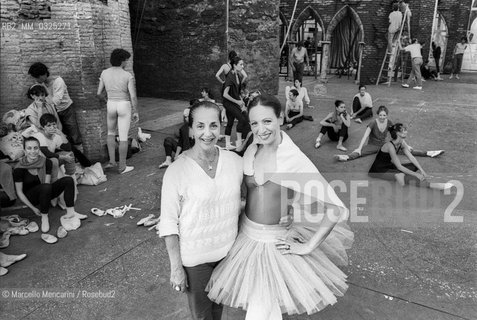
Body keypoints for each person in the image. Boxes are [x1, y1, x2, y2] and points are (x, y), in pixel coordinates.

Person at [207, 93, 353, 320]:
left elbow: (335, 208)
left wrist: (308, 247)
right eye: (254, 123)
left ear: (280, 118)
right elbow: (252, 195)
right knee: (266, 306)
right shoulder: (252, 149)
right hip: (245, 239)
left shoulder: (292, 158)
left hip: (273, 244)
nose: (260, 129)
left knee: (258, 309)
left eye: (267, 121)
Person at [158, 101, 243, 320]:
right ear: (191, 130)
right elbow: (168, 223)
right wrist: (176, 268)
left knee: (219, 311)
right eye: (201, 126)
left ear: (222, 126)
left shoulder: (234, 162)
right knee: (203, 317)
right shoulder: (177, 171)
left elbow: (244, 199)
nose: (208, 133)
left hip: (228, 255)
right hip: (196, 261)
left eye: (213, 125)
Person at [13, 137, 86, 244]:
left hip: (45, 191)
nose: (32, 151)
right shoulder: (19, 169)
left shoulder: (46, 162)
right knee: (45, 187)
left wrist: (52, 195)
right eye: (29, 148)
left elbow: (47, 183)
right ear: (24, 151)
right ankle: (44, 217)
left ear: (39, 149)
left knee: (68, 180)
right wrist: (33, 208)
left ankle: (71, 212)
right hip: (31, 197)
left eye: (35, 148)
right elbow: (19, 192)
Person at [334, 106, 444, 162]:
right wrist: (359, 148)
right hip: (372, 145)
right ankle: (346, 157)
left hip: (384, 145)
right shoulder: (373, 123)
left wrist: (406, 145)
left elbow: (398, 135)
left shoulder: (389, 122)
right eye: (380, 115)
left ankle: (428, 153)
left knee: (406, 150)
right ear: (377, 115)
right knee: (359, 153)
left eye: (384, 115)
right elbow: (365, 136)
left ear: (387, 115)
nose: (382, 117)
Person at [368, 123, 453, 191]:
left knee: (414, 166)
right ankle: (435, 186)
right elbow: (399, 166)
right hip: (378, 170)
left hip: (389, 166)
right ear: (397, 133)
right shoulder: (389, 146)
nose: (406, 131)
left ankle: (399, 175)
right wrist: (416, 174)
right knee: (410, 177)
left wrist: (422, 170)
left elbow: (411, 157)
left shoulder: (402, 142)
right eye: (404, 130)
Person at [97, 48, 139, 174]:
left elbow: (98, 93)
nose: (126, 63)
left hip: (111, 104)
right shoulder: (127, 75)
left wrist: (106, 101)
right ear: (122, 61)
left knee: (110, 133)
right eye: (126, 60)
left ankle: (111, 161)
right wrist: (136, 111)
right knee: (123, 137)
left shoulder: (104, 73)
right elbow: (132, 96)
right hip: (124, 105)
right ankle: (122, 166)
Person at [28, 63, 83, 148]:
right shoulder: (41, 83)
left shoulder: (58, 81)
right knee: (60, 134)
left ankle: (79, 153)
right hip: (53, 110)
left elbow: (56, 101)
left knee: (73, 133)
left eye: (37, 77)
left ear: (44, 75)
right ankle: (68, 152)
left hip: (66, 109)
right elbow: (35, 91)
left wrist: (42, 103)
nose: (36, 80)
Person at [222, 56, 250, 150]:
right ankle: (239, 144)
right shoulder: (230, 77)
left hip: (234, 101)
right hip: (228, 102)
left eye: (243, 64)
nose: (243, 66)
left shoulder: (237, 75)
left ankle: (227, 145)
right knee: (242, 119)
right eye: (240, 64)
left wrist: (241, 101)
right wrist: (237, 101)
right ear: (234, 65)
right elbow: (225, 94)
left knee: (230, 122)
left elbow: (236, 92)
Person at [158, 101, 195, 169]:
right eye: (185, 117)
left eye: (187, 117)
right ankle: (168, 160)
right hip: (184, 152)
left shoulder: (198, 127)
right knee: (168, 140)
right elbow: (180, 143)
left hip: (194, 154)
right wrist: (176, 155)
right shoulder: (183, 128)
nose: (185, 118)